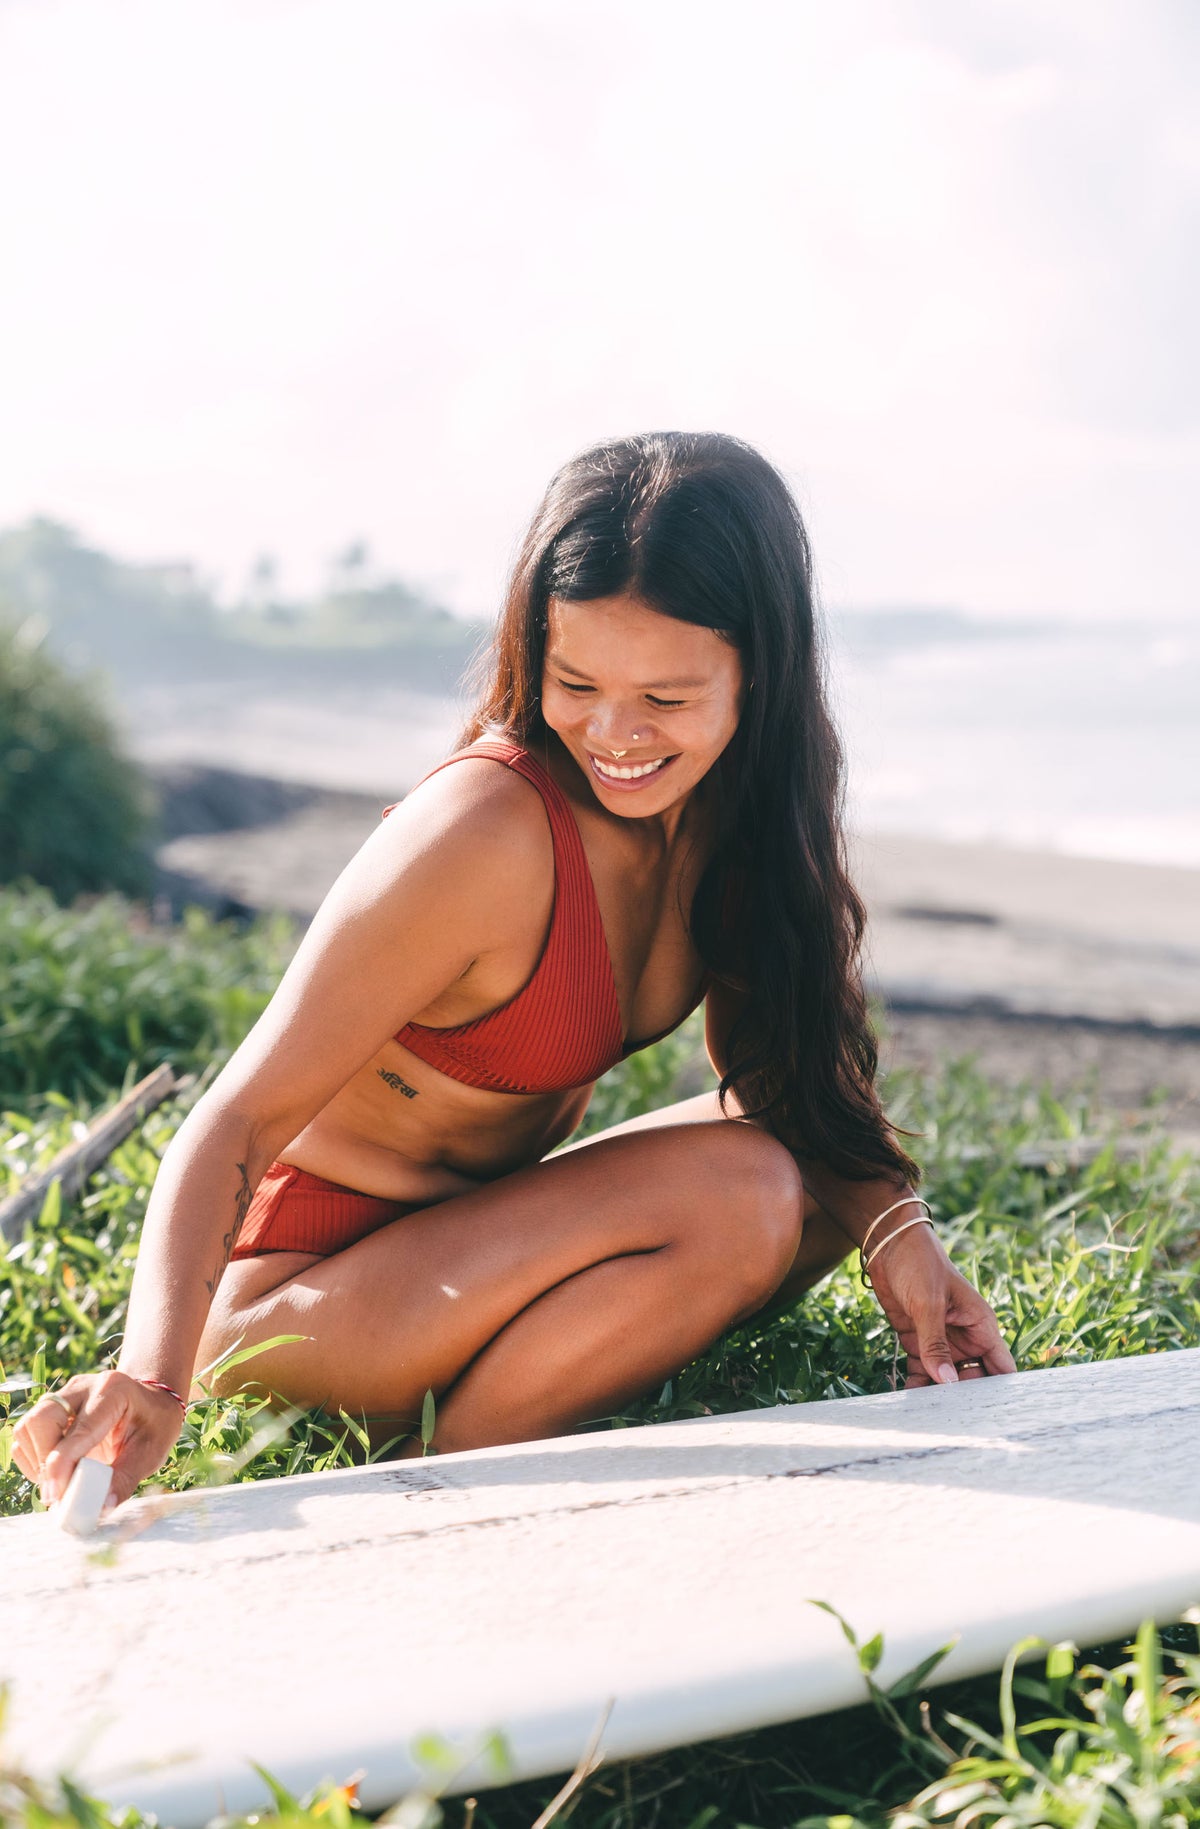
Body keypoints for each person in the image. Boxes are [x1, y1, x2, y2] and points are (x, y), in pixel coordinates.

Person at [15, 431, 1015, 1515]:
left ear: (756, 671)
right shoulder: (483, 831)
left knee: (820, 1170)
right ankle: (432, 1490)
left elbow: (788, 1070)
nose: (614, 733)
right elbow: (235, 1121)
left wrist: (898, 1234)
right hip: (297, 1298)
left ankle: (488, 1414)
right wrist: (155, 1375)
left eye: (667, 700)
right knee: (742, 1192)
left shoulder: (742, 814)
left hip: (474, 1253)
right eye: (576, 679)